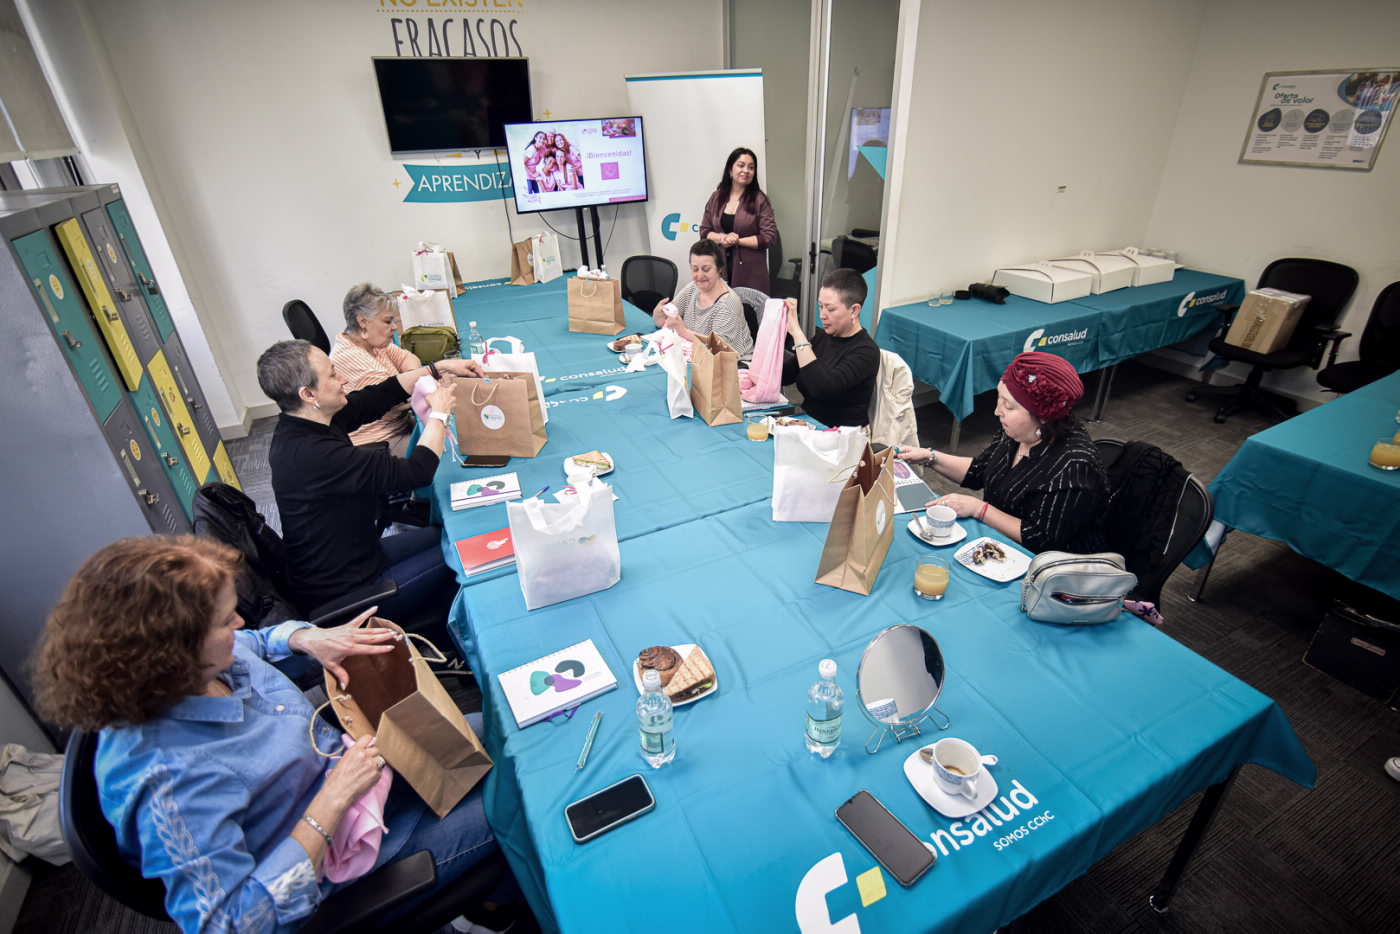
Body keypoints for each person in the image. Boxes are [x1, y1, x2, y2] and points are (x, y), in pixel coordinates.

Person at [30, 536, 510, 934]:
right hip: (344, 861)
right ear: (174, 654)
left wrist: (304, 638)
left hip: (361, 776)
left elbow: (256, 641)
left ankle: (492, 899)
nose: (239, 623)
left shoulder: (205, 661)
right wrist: (333, 802)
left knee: (510, 731)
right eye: (225, 620)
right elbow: (232, 923)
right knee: (522, 796)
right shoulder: (167, 779)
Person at [257, 339, 482, 625]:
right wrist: (439, 415)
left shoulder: (309, 420)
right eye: (332, 375)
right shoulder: (313, 455)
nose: (343, 379)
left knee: (454, 534)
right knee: (463, 552)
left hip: (361, 558)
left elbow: (380, 395)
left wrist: (438, 369)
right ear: (308, 393)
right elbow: (417, 472)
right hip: (349, 592)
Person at [898, 351, 1109, 554]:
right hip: (1001, 543)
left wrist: (979, 509)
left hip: (1051, 567)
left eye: (1008, 406)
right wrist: (930, 457)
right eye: (999, 398)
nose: (997, 411)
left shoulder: (1075, 467)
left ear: (1043, 416)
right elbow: (980, 470)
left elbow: (1041, 540)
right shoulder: (1019, 433)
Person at [780, 267, 880, 428]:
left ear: (854, 310)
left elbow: (821, 389)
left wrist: (797, 334)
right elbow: (785, 376)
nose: (822, 315)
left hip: (840, 435)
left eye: (830, 309)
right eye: (820, 306)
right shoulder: (824, 337)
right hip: (808, 425)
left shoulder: (866, 351)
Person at [330, 284, 421, 456]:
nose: (394, 327)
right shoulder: (358, 362)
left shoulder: (367, 342)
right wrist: (417, 379)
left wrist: (411, 376)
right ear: (363, 322)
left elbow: (407, 357)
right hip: (382, 441)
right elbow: (405, 399)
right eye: (387, 321)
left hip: (399, 425)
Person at [651, 239, 753, 359]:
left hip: (733, 363)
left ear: (719, 269)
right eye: (695, 269)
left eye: (706, 269)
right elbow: (669, 321)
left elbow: (718, 348)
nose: (699, 276)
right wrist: (659, 315)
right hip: (697, 354)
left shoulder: (727, 304)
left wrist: (683, 331)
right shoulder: (692, 288)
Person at [699, 147, 779, 292]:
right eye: (741, 165)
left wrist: (737, 241)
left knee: (746, 306)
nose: (746, 171)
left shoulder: (760, 200)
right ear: (730, 170)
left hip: (751, 274)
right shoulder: (716, 198)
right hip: (719, 270)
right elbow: (704, 231)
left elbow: (769, 237)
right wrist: (722, 238)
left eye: (751, 167)